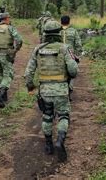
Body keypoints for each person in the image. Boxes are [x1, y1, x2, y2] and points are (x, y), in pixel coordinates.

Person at [24, 20, 78, 162]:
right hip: (61, 90)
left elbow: (28, 72)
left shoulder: (37, 49)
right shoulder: (65, 48)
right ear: (59, 33)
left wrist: (30, 86)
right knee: (63, 116)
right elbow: (73, 70)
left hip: (45, 91)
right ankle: (60, 140)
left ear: (45, 34)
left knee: (47, 116)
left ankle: (48, 144)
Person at [60, 15, 82, 100]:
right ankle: (69, 89)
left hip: (59, 55)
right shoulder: (74, 31)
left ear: (60, 22)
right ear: (69, 22)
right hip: (71, 55)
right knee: (72, 73)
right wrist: (77, 56)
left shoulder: (58, 31)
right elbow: (78, 44)